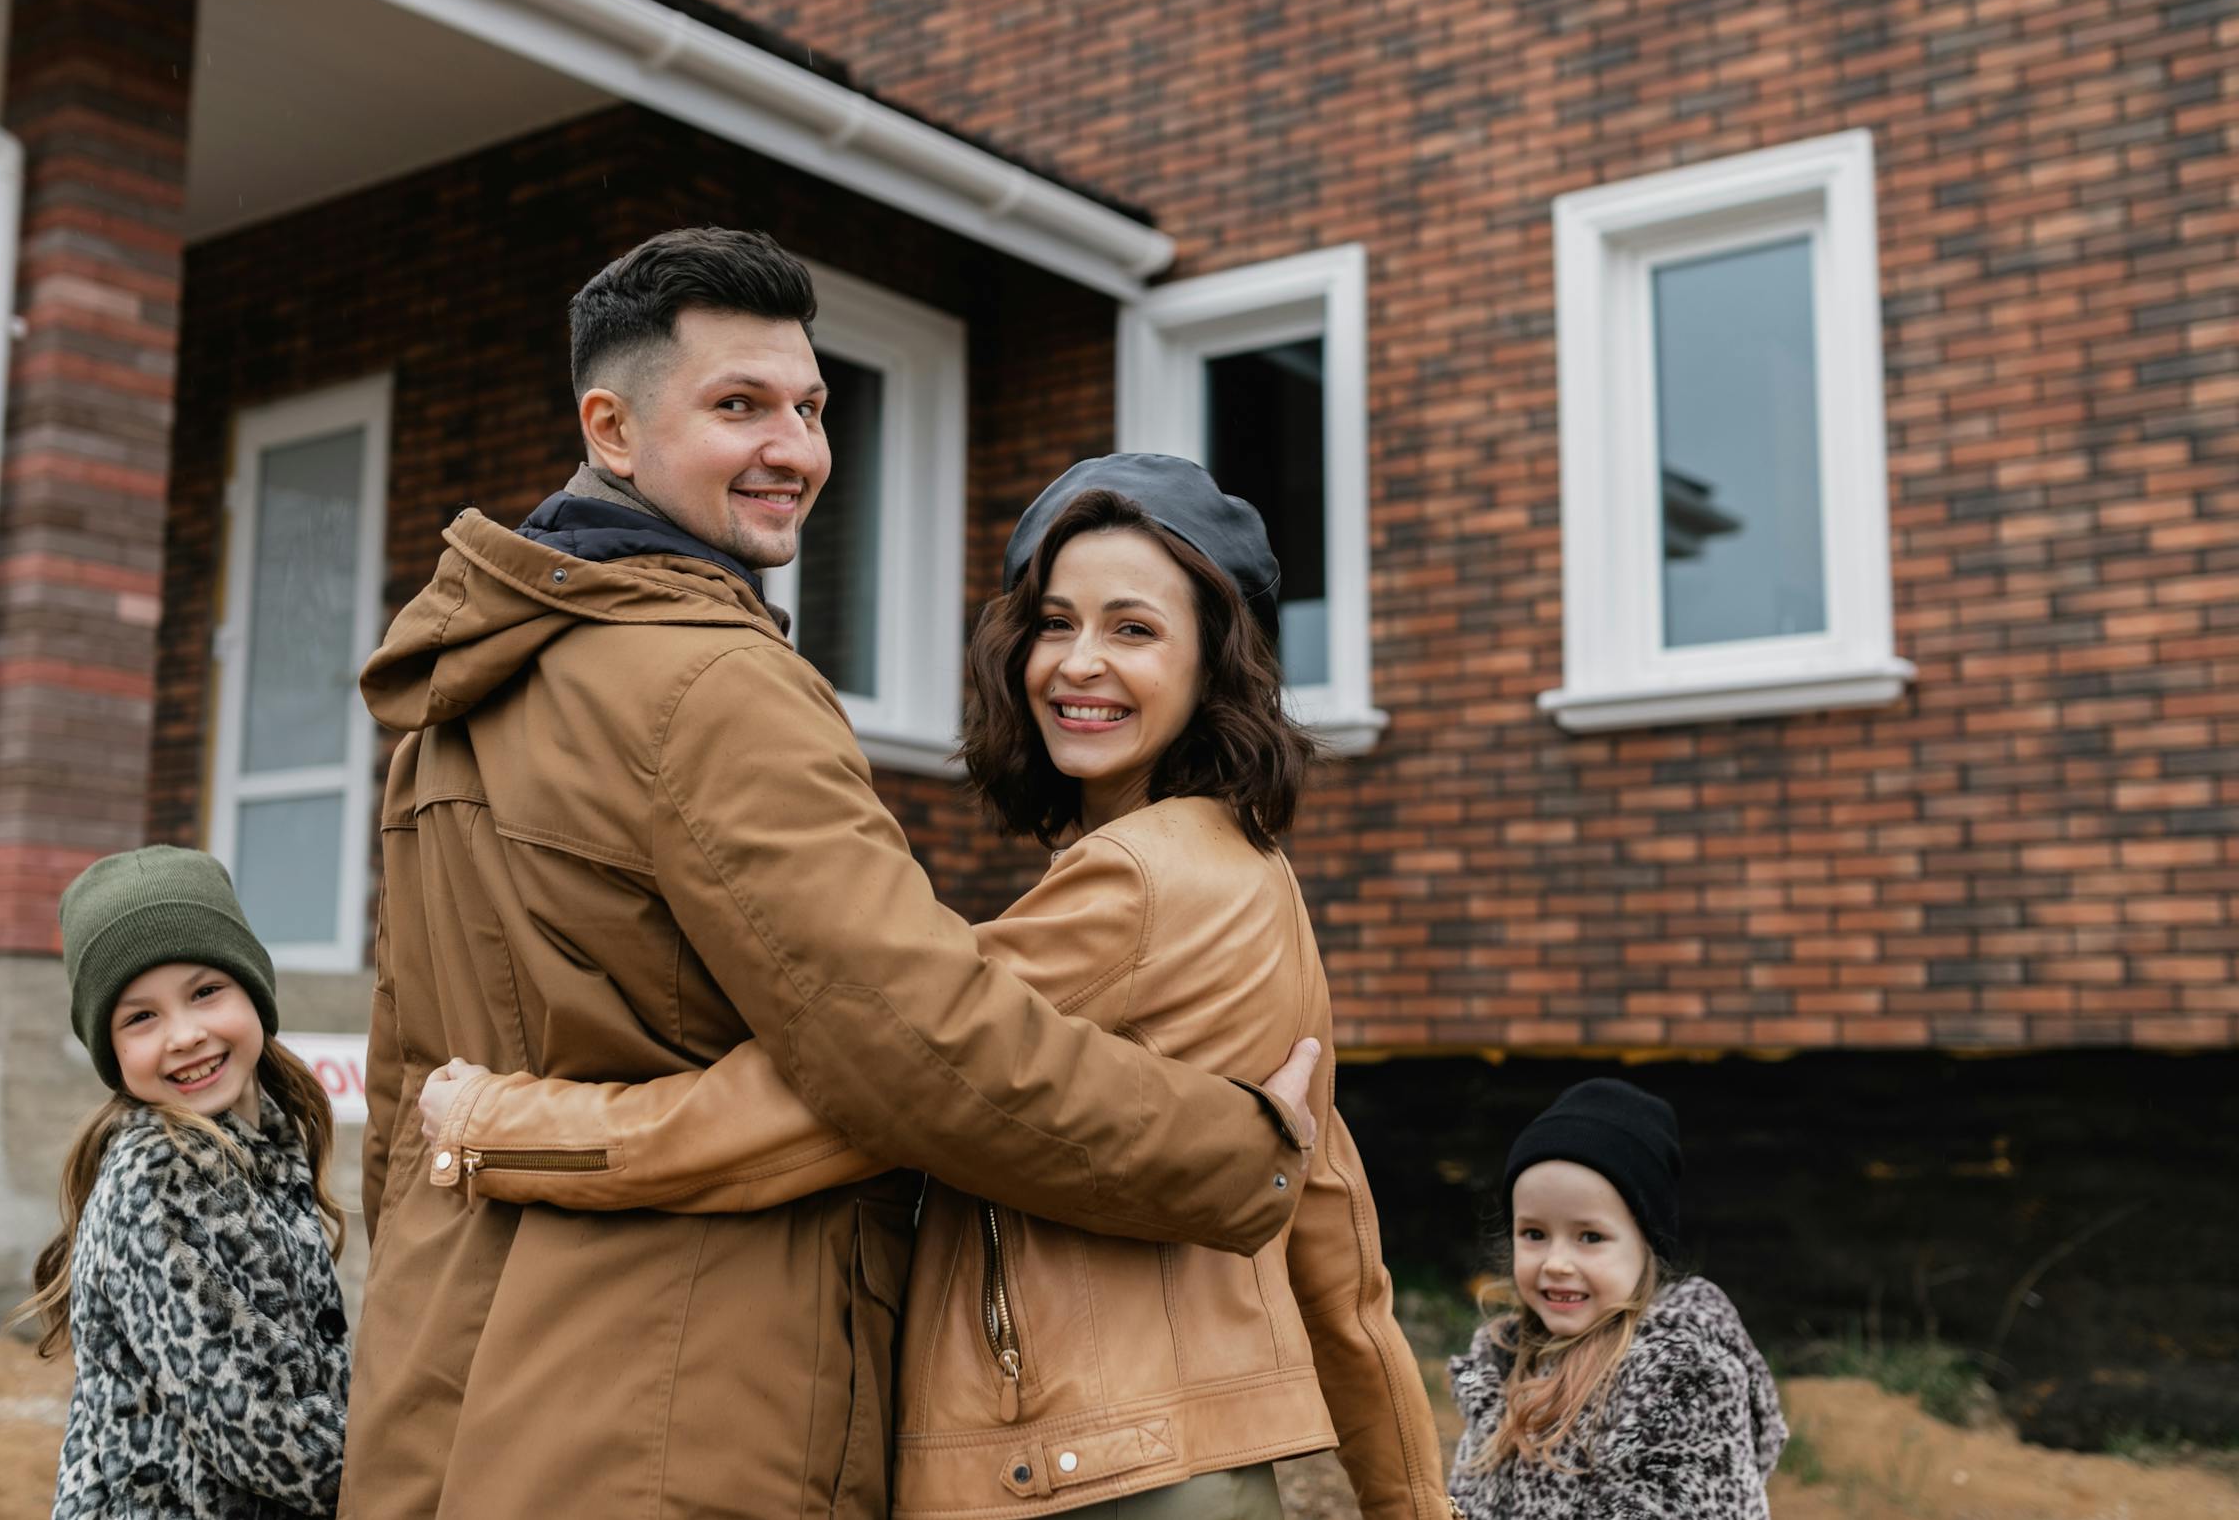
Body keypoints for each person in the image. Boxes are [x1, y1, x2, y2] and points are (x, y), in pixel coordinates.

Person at [343, 230, 1322, 1518]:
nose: (795, 450)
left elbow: (415, 1099)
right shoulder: (716, 682)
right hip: (687, 1396)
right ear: (612, 429)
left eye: (809, 408)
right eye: (738, 407)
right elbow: (912, 1046)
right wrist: (1232, 1146)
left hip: (462, 1377)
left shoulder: (459, 701)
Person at [413, 456, 1453, 1520]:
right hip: (1183, 1473)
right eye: (1055, 624)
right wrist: (1409, 1502)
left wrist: (507, 1126)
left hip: (1090, 1479)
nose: (1078, 664)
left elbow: (841, 1100)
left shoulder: (1139, 879)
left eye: (1133, 631)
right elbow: (1338, 1241)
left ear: (1214, 667)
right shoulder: (1252, 873)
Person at [23, 845, 349, 1520]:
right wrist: (421, 1468)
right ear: (110, 1049)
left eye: (205, 991)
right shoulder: (162, 1176)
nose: (185, 1034)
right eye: (141, 1016)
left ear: (253, 987)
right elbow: (261, 1434)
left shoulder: (267, 1146)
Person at [1443, 1080, 1787, 1519]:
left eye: (1590, 1236)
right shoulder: (1504, 1365)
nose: (1556, 1263)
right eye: (1534, 1234)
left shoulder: (1683, 1381)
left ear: (1646, 1245)